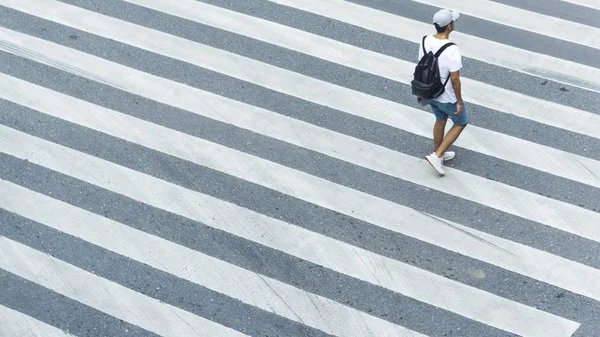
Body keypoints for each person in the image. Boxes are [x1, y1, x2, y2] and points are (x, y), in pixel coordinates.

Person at [419, 9, 468, 176]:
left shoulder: (425, 40)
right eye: (453, 21)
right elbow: (455, 79)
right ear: (449, 26)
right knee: (461, 122)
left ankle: (438, 151)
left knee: (440, 119)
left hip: (429, 91)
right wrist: (459, 101)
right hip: (446, 95)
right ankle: (437, 155)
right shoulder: (452, 49)